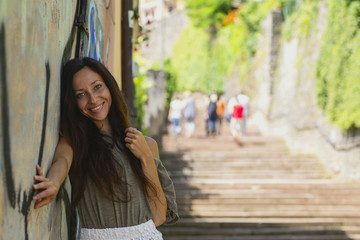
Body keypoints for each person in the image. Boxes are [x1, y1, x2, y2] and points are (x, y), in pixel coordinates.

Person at [32, 57, 179, 240]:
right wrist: (52, 183)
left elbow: (158, 216)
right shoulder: (75, 142)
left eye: (97, 87)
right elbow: (62, 160)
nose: (93, 99)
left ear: (110, 87)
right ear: (73, 102)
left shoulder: (145, 144)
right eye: (81, 94)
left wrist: (146, 158)